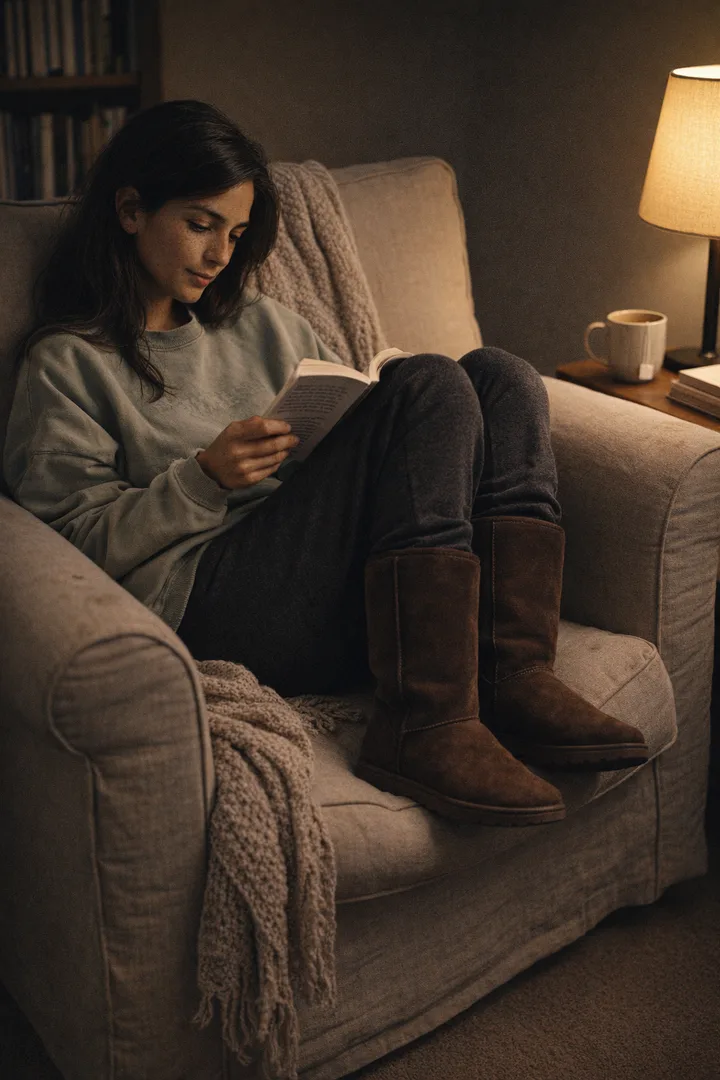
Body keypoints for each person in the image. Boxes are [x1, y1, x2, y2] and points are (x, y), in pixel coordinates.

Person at [3, 99, 649, 830]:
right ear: (129, 210)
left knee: (500, 374)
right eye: (199, 223)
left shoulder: (263, 323)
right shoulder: (67, 363)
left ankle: (510, 675)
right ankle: (422, 723)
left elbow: (362, 429)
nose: (219, 256)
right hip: (215, 602)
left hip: (340, 582)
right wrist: (201, 479)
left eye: (236, 234)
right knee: (432, 383)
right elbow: (68, 546)